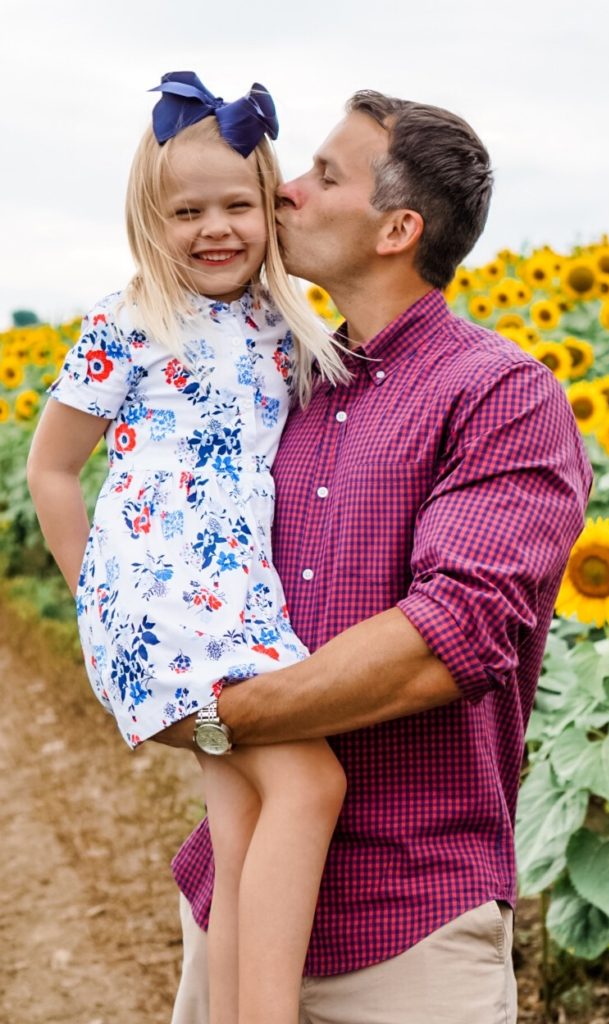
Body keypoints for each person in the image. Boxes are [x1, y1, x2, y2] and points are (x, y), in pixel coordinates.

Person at [162, 90, 593, 1024]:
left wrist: (212, 716)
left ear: (398, 227)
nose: (286, 191)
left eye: (324, 175)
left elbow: (451, 636)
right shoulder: (279, 381)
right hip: (233, 901)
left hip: (406, 933)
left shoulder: (502, 395)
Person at [26, 72, 349, 1024]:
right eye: (186, 211)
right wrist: (97, 591)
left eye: (237, 205)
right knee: (311, 778)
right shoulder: (130, 323)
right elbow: (51, 468)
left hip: (236, 602)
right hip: (162, 604)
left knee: (246, 810)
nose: (215, 227)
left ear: (269, 206)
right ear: (148, 221)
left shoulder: (280, 327)